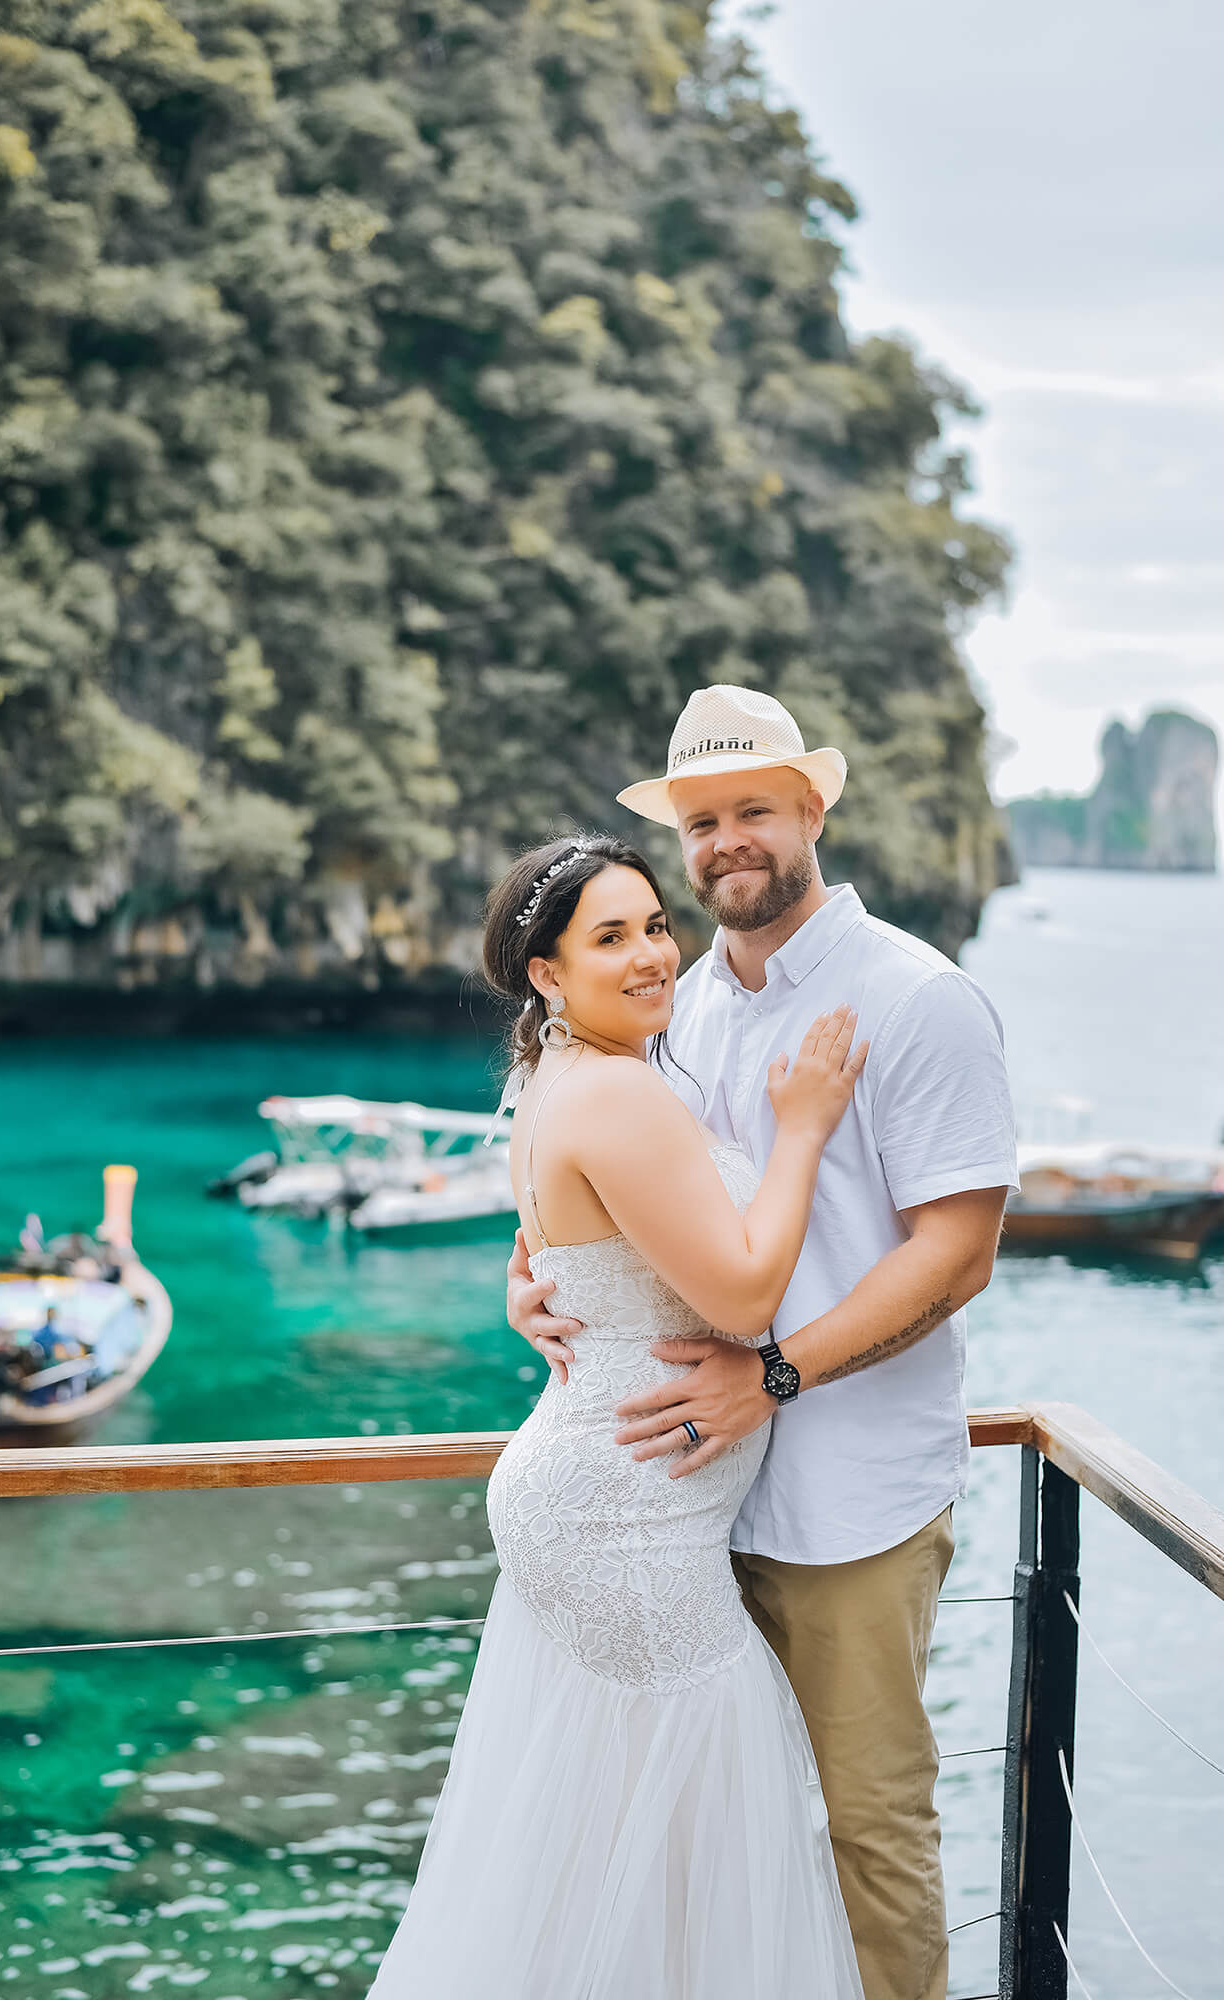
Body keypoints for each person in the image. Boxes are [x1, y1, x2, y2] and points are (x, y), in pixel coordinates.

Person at [508, 684, 1018, 2000]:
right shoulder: (681, 1005)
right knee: (695, 1840)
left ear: (812, 808)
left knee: (866, 1836)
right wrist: (529, 1279)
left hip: (848, 1500)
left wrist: (774, 1374)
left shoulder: (917, 1000)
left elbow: (954, 1251)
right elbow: (619, 1196)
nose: (726, 839)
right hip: (684, 1511)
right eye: (700, 821)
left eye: (751, 810)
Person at [370, 833, 867, 2000]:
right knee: (690, 1830)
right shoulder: (618, 1090)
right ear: (545, 972)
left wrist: (525, 1290)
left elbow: (567, 1260)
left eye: (654, 922)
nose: (652, 953)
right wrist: (799, 1127)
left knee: (598, 1845)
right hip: (627, 1517)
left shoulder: (550, 1083)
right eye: (610, 936)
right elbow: (742, 1292)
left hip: (593, 1492)